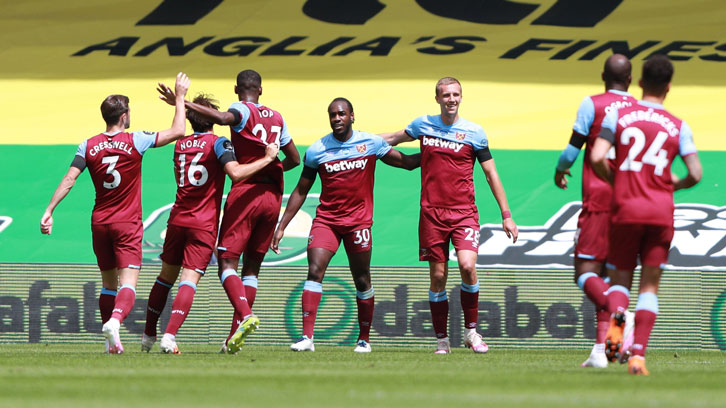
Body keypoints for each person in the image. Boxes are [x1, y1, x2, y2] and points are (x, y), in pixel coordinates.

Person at [40, 72, 191, 354]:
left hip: (99, 223)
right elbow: (179, 131)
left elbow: (70, 179)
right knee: (129, 281)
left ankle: (113, 344)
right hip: (127, 223)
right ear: (123, 116)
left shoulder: (88, 145)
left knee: (108, 283)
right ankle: (115, 321)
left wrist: (49, 210)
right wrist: (180, 98)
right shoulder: (137, 140)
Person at [158, 69, 300, 353]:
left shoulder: (240, 110)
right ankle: (234, 335)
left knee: (226, 263)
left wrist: (182, 102)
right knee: (252, 270)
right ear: (261, 89)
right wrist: (271, 166)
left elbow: (223, 118)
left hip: (246, 193)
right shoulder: (278, 117)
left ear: (237, 90)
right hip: (273, 197)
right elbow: (294, 159)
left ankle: (245, 317)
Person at [271, 98, 420, 353]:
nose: (336, 118)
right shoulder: (317, 150)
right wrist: (282, 225)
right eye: (332, 115)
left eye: (341, 114)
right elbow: (301, 190)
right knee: (315, 270)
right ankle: (307, 338)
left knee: (362, 279)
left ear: (352, 116)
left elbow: (405, 163)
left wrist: (438, 155)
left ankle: (364, 339)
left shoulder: (370, 143)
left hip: (358, 224)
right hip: (327, 222)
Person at [381, 77, 518, 354]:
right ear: (437, 99)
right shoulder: (423, 125)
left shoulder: (475, 132)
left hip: (464, 213)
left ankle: (471, 333)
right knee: (438, 276)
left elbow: (491, 174)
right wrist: (358, 141)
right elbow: (394, 138)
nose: (451, 99)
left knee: (467, 266)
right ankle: (442, 339)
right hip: (431, 213)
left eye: (456, 94)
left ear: (461, 97)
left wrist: (506, 214)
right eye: (446, 95)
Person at [591, 55, 702, 375]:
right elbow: (695, 173)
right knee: (649, 287)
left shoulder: (618, 115)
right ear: (669, 87)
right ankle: (638, 355)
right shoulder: (679, 125)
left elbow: (597, 155)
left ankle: (615, 335)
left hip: (626, 208)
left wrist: (617, 180)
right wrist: (671, 186)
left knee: (620, 281)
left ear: (639, 82)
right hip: (660, 210)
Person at [554, 54, 638, 368]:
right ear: (630, 79)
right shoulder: (640, 110)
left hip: (600, 201)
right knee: (613, 278)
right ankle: (603, 351)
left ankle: (622, 317)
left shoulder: (593, 104)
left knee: (586, 274)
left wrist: (560, 170)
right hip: (633, 202)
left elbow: (571, 151)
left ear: (603, 76)